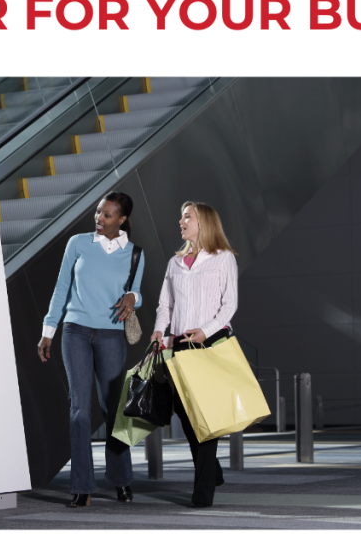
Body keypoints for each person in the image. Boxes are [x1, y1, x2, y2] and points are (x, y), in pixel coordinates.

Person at [37, 192, 145, 508]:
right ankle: (82, 485)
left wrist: (133, 299)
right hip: (76, 331)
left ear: (122, 219)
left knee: (113, 409)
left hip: (112, 335)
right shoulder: (78, 244)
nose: (99, 218)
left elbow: (136, 290)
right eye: (98, 212)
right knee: (79, 409)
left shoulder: (135, 253)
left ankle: (122, 480)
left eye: (107, 215)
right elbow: (61, 289)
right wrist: (48, 331)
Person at [150, 201, 239, 508]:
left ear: (204, 223)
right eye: (181, 216)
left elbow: (229, 305)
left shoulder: (223, 258)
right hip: (177, 347)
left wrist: (206, 329)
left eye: (187, 216)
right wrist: (159, 332)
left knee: (205, 418)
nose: (181, 221)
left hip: (208, 345)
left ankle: (202, 493)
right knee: (185, 416)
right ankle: (211, 470)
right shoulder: (175, 263)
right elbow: (166, 305)